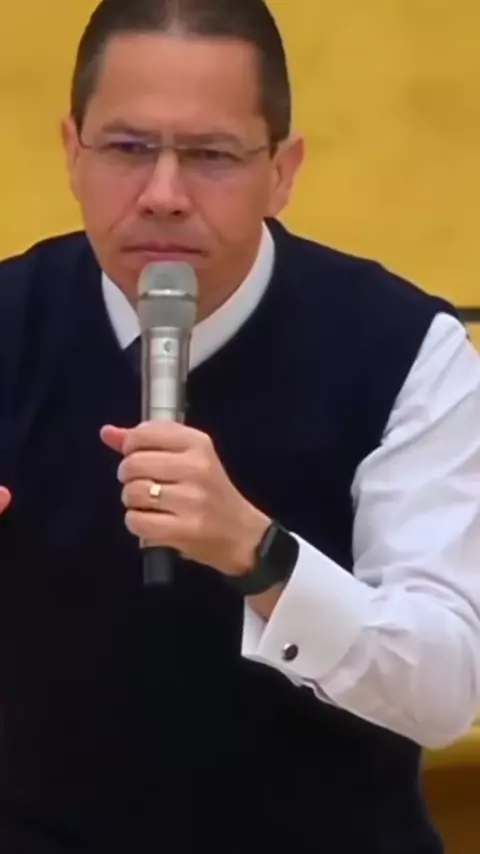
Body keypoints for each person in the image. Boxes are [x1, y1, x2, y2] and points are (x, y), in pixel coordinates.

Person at [0, 0, 479, 851]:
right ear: (72, 152)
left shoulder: (406, 350)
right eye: (127, 148)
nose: (163, 196)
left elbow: (447, 693)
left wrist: (261, 556)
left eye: (211, 156)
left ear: (283, 170)